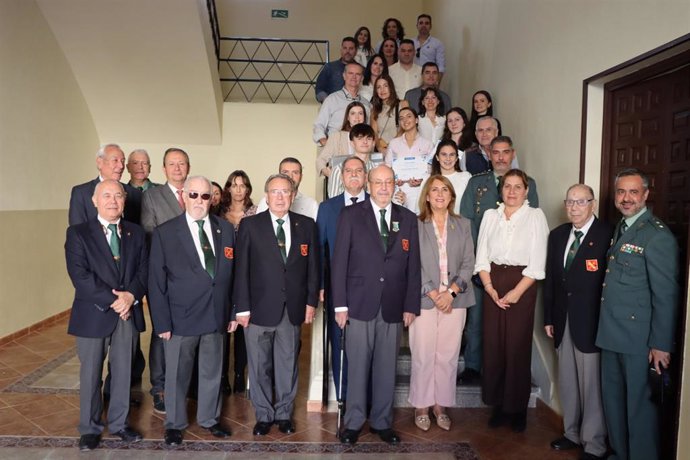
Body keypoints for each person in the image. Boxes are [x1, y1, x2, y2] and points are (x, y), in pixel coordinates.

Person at [332, 165, 421, 446]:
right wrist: (340, 306)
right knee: (357, 366)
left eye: (389, 182)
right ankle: (354, 422)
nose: (384, 187)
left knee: (386, 368)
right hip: (358, 304)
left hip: (393, 306)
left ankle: (382, 422)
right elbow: (339, 263)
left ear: (395, 185)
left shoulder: (407, 218)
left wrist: (410, 305)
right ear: (368, 185)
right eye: (378, 182)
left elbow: (413, 266)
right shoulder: (350, 215)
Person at [596, 168, 679, 460]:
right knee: (614, 403)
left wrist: (660, 344)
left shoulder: (657, 236)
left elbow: (666, 295)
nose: (626, 198)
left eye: (633, 192)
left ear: (645, 195)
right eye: (621, 192)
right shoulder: (620, 228)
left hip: (639, 340)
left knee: (639, 410)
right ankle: (619, 454)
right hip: (611, 333)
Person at [148, 176, 236, 446]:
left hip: (215, 315)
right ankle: (174, 423)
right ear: (184, 196)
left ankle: (209, 418)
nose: (199, 201)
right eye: (194, 195)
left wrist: (232, 313)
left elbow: (234, 275)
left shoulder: (226, 229)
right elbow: (156, 282)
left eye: (205, 196)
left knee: (212, 371)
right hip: (180, 318)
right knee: (177, 374)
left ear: (213, 199)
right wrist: (161, 322)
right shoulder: (165, 232)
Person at [233, 173, 320, 437]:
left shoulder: (306, 225)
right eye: (275, 192)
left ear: (293, 196)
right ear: (266, 196)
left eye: (285, 192)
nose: (280, 197)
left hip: (291, 309)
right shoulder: (251, 226)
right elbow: (241, 269)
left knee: (287, 363)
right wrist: (242, 308)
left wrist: (310, 302)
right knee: (259, 365)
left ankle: (283, 413)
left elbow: (314, 268)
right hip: (257, 309)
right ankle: (263, 414)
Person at [65, 179, 148, 451]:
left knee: (124, 372)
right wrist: (115, 299)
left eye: (118, 196)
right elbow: (80, 276)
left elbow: (143, 272)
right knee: (91, 373)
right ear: (94, 201)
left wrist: (131, 296)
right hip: (94, 313)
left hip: (127, 313)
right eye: (107, 195)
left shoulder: (136, 233)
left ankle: (120, 424)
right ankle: (89, 428)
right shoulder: (78, 233)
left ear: (125, 201)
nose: (113, 201)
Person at [459, 136, 539, 386]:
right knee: (477, 318)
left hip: (516, 270)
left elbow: (529, 222)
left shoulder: (527, 183)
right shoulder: (477, 183)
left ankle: (504, 376)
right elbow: (467, 221)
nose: (501, 157)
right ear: (489, 154)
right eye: (496, 152)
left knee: (510, 328)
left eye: (506, 152)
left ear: (512, 153)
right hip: (483, 264)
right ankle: (473, 366)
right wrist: (474, 262)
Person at [474, 169, 549, 433]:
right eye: (508, 186)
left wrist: (517, 292)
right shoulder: (490, 216)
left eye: (518, 187)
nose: (512, 192)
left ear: (526, 190)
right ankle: (497, 405)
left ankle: (516, 409)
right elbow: (481, 255)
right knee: (494, 345)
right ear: (501, 189)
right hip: (493, 281)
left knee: (516, 346)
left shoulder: (535, 216)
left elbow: (538, 261)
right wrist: (489, 287)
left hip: (523, 282)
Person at [544, 184, 611, 459]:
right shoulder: (558, 235)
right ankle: (571, 433)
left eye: (580, 202)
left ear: (592, 204)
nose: (574, 207)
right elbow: (550, 280)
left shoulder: (607, 234)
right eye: (570, 202)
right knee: (568, 380)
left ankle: (594, 443)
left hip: (592, 322)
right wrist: (548, 317)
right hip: (562, 319)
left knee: (592, 386)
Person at [410, 175, 474, 432]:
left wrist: (452, 292)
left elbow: (469, 262)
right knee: (423, 354)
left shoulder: (464, 224)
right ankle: (422, 406)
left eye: (444, 190)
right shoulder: (415, 225)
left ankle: (441, 406)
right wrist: (434, 293)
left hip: (455, 301)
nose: (439, 194)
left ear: (451, 196)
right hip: (425, 299)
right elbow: (412, 262)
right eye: (434, 190)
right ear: (426, 196)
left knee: (447, 356)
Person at [140, 148, 191, 414]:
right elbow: (149, 237)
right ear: (163, 169)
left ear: (188, 167)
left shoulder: (196, 191)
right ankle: (159, 386)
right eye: (172, 164)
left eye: (182, 164)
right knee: (163, 331)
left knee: (187, 332)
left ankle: (183, 383)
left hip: (194, 280)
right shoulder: (153, 196)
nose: (177, 168)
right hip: (165, 276)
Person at [316, 156, 369, 401]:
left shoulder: (377, 204)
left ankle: (366, 399)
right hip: (338, 291)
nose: (354, 175)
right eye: (349, 171)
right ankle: (344, 400)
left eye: (359, 171)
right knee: (340, 346)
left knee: (369, 348)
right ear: (342, 176)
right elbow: (320, 251)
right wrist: (322, 286)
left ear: (366, 176)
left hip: (370, 291)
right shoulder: (328, 208)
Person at [218, 170, 257, 393]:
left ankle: (240, 373)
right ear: (228, 188)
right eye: (234, 185)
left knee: (243, 324)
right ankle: (223, 374)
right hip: (223, 274)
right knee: (223, 323)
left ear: (248, 189)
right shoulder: (219, 213)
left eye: (243, 185)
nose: (239, 189)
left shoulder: (254, 213)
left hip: (246, 273)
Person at [68, 144, 142, 226]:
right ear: (100, 162)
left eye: (123, 161)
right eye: (115, 160)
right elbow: (77, 232)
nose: (121, 166)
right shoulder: (81, 193)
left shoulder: (135, 194)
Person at [385, 107, 434, 214]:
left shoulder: (428, 144)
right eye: (401, 118)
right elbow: (387, 167)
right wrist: (394, 180)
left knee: (418, 225)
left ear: (416, 120)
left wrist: (422, 180)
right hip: (399, 191)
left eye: (409, 116)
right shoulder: (394, 143)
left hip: (420, 191)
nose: (405, 120)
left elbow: (431, 170)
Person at [313, 62, 370, 147]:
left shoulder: (366, 104)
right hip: (335, 149)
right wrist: (326, 143)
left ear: (362, 78)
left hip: (359, 152)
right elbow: (319, 125)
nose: (354, 77)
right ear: (344, 75)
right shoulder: (331, 99)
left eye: (358, 74)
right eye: (350, 73)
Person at [315, 101, 367, 178]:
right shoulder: (336, 137)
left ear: (364, 117)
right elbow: (320, 160)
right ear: (348, 117)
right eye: (353, 113)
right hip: (339, 182)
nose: (357, 117)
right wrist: (329, 174)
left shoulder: (369, 138)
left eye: (360, 113)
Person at [328, 123, 376, 198]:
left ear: (373, 143)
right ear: (352, 143)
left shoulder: (376, 169)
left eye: (369, 138)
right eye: (360, 138)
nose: (365, 142)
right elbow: (333, 200)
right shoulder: (339, 169)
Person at [427, 139, 471, 214]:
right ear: (437, 157)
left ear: (457, 158)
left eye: (452, 154)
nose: (448, 158)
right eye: (444, 154)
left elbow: (472, 206)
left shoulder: (466, 177)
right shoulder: (428, 179)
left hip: (461, 224)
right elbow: (420, 209)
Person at [370, 74, 409, 153]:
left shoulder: (403, 104)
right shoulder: (374, 110)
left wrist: (391, 145)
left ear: (391, 87)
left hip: (400, 149)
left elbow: (405, 127)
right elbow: (374, 133)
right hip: (382, 150)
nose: (382, 90)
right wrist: (380, 148)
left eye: (385, 86)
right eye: (379, 87)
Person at [314, 37, 356, 103]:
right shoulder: (330, 67)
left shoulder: (361, 70)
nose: (347, 51)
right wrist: (327, 101)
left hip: (355, 108)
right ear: (341, 50)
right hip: (332, 108)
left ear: (355, 51)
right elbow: (319, 89)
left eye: (351, 48)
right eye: (345, 48)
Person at [412, 14, 445, 80]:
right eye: (421, 23)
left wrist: (436, 84)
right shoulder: (411, 43)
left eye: (426, 23)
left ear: (430, 26)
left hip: (430, 79)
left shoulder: (437, 43)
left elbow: (441, 67)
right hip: (412, 78)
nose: (423, 25)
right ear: (417, 26)